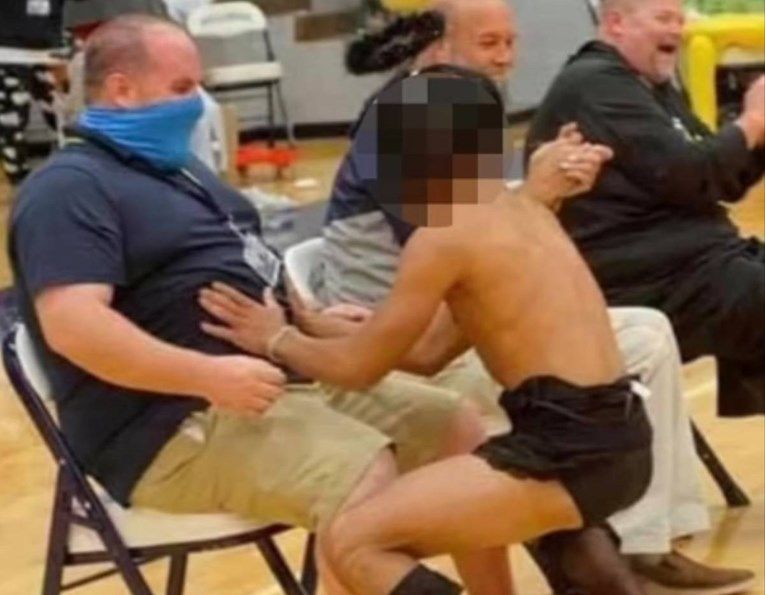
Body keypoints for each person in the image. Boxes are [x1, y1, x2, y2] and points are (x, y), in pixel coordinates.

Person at [9, 16, 514, 595]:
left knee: (459, 430)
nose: (197, 103)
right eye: (182, 87)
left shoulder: (178, 170)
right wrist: (206, 376)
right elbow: (73, 327)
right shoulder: (68, 188)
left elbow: (249, 259)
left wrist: (309, 321)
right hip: (171, 425)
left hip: (274, 382)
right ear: (122, 89)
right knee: (362, 475)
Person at [317, 1, 754, 593]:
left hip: (457, 323)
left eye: (510, 42)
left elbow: (480, 240)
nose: (505, 57)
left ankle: (645, 543)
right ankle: (609, 546)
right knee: (629, 352)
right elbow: (464, 249)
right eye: (488, 43)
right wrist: (538, 193)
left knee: (648, 331)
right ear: (440, 48)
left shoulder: (459, 112)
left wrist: (549, 186)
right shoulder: (405, 124)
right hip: (401, 328)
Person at [195, 67, 656, 595]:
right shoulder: (527, 209)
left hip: (569, 451)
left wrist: (275, 339)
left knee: (354, 542)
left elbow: (358, 371)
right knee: (436, 507)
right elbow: (430, 353)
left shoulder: (443, 235)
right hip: (617, 438)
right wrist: (315, 325)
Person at [526, 0, 765, 418]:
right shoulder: (596, 83)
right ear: (616, 23)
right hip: (643, 282)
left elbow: (720, 180)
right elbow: (693, 172)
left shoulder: (650, 84)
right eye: (663, 18)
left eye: (679, 19)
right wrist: (754, 120)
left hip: (695, 265)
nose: (676, 30)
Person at [0, 0, 65, 185]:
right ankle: (19, 181)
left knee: (66, 116)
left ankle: (73, 173)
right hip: (7, 51)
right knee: (11, 123)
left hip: (51, 49)